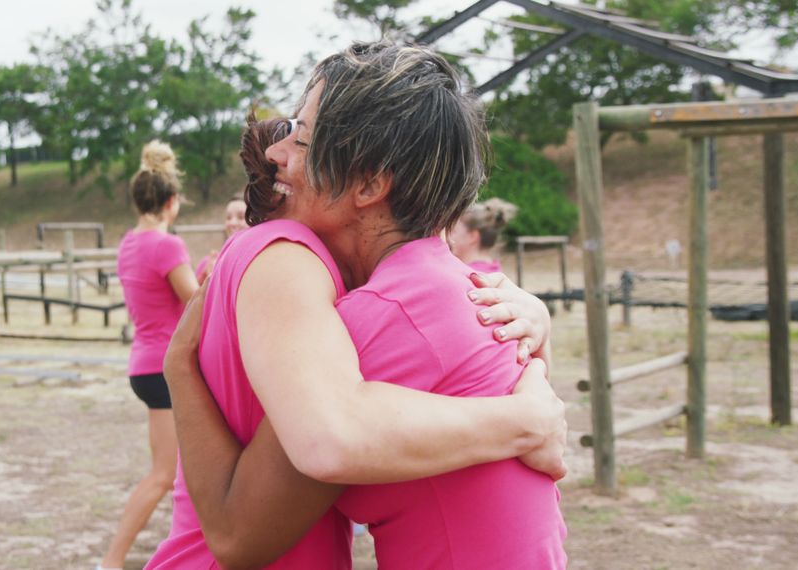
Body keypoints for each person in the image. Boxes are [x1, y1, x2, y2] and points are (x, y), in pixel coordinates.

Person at [148, 41, 565, 569]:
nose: (278, 152)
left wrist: (180, 369)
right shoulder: (460, 291)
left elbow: (242, 528)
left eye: (300, 137)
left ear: (369, 182)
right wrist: (529, 415)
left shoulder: (387, 314)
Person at [101, 141, 198, 570]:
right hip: (164, 369)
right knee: (164, 474)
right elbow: (196, 305)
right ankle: (112, 561)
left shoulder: (128, 242)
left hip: (144, 363)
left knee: (181, 473)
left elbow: (166, 299)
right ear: (171, 202)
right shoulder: (167, 246)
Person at [446, 197, 518, 274]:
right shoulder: (493, 269)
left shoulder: (469, 276)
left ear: (472, 237)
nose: (447, 237)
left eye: (454, 232)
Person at [195, 194, 249, 283]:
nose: (232, 223)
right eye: (228, 217)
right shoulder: (207, 263)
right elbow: (192, 295)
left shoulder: (259, 262)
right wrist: (207, 277)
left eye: (241, 217)